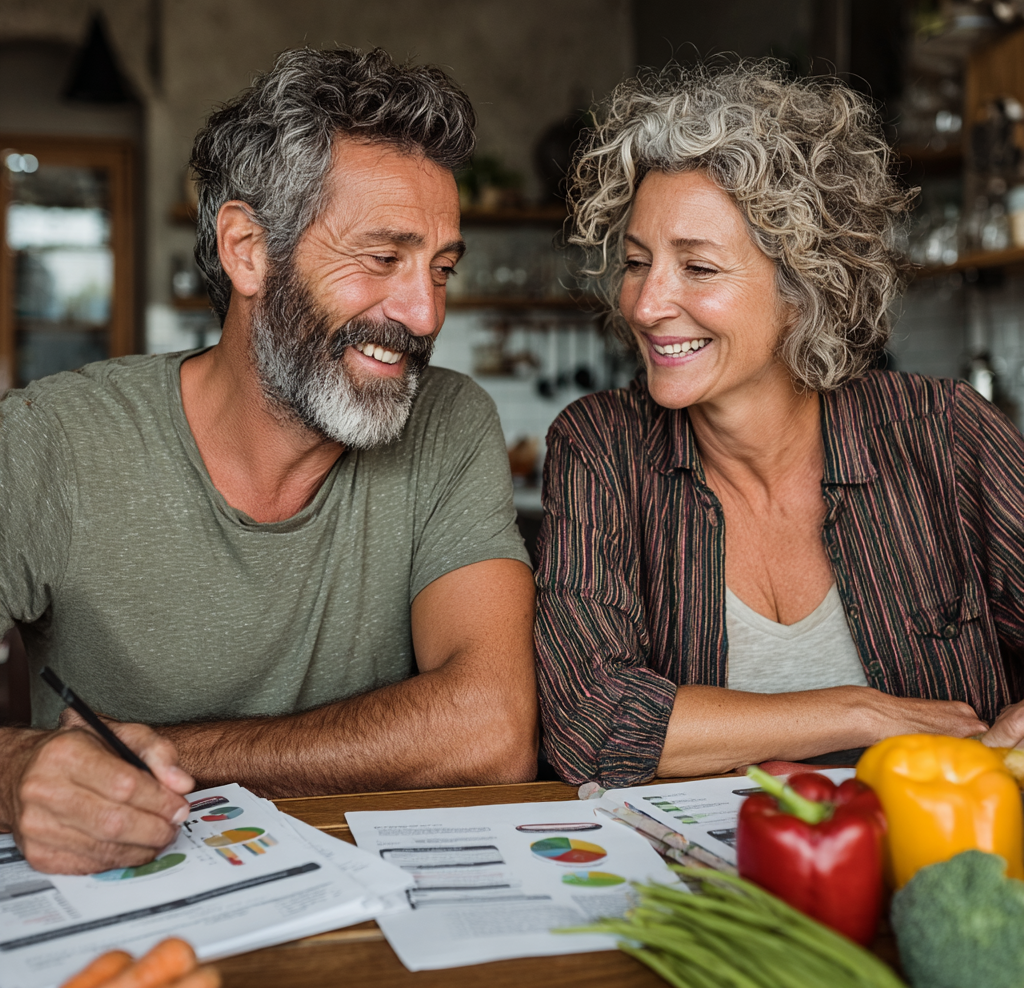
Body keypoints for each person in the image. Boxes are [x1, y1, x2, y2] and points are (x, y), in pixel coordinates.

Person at [0, 47, 538, 874]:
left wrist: (175, 755)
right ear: (248, 249)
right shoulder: (49, 439)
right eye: (382, 258)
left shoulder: (449, 422)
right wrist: (14, 772)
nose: (424, 312)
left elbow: (490, 730)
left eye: (441, 268)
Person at [534, 59, 1024, 787]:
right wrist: (863, 713)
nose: (644, 304)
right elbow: (589, 722)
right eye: (637, 263)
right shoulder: (601, 447)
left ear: (804, 286)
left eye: (697, 268)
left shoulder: (943, 433)